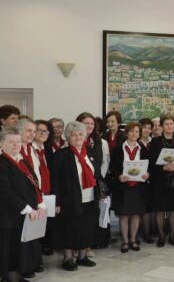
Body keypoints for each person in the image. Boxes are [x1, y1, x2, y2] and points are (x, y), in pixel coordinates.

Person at [0, 128, 43, 282]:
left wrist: (40, 203)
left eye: (18, 141)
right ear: (1, 144)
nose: (15, 145)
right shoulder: (2, 163)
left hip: (24, 216)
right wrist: (27, 208)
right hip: (9, 219)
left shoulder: (21, 160)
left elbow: (33, 184)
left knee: (20, 253)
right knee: (10, 255)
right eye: (11, 142)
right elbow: (5, 193)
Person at [52, 121, 99, 271]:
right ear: (68, 137)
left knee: (87, 227)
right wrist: (57, 202)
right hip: (69, 199)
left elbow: (96, 174)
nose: (78, 137)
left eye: (80, 134)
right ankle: (68, 258)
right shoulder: (61, 155)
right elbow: (55, 180)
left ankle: (82, 256)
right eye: (74, 135)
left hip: (89, 197)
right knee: (69, 228)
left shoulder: (89, 152)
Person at [110, 122, 149, 253]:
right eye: (131, 131)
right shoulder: (118, 149)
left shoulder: (143, 149)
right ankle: (125, 241)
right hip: (123, 187)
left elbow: (149, 167)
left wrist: (147, 174)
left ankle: (133, 239)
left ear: (139, 134)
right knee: (124, 215)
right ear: (126, 132)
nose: (134, 134)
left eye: (137, 131)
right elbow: (112, 168)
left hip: (138, 187)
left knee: (136, 214)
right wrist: (118, 176)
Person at [76, 112, 111, 251]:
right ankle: (79, 245)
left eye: (92, 123)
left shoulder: (101, 142)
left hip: (96, 182)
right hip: (79, 184)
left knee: (93, 214)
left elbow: (105, 162)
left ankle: (91, 243)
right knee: (80, 215)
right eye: (86, 123)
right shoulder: (74, 141)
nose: (89, 126)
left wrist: (97, 177)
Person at [149, 114, 174, 247]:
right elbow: (151, 161)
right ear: (162, 126)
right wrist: (163, 167)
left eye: (171, 124)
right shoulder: (156, 141)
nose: (169, 126)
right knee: (160, 209)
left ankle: (172, 236)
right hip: (159, 179)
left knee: (173, 209)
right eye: (166, 124)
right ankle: (161, 237)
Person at [16, 118, 43, 277]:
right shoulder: (13, 150)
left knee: (32, 234)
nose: (32, 134)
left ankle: (29, 265)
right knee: (19, 237)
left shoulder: (31, 149)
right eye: (28, 131)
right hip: (20, 199)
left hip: (34, 196)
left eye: (34, 131)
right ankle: (17, 271)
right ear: (18, 131)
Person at [32, 120, 54, 256]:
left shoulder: (48, 149)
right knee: (35, 225)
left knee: (46, 222)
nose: (43, 133)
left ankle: (45, 246)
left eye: (46, 131)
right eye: (39, 130)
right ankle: (35, 255)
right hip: (35, 192)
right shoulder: (29, 149)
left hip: (48, 191)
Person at [138, 118, 154, 244]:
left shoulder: (153, 143)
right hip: (137, 179)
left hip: (150, 178)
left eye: (149, 128)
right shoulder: (135, 142)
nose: (146, 130)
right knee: (138, 207)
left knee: (148, 207)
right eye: (144, 128)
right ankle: (137, 233)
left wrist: (150, 173)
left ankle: (147, 233)